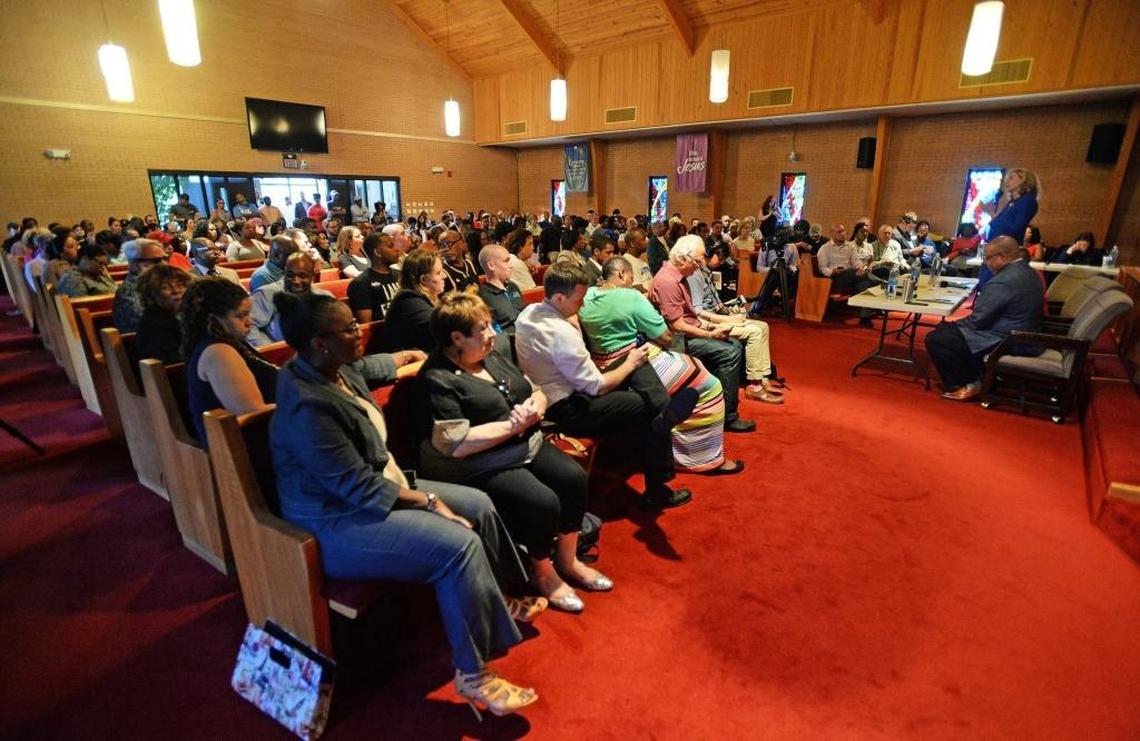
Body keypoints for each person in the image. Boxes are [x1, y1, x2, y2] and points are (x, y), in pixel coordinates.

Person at [269, 292, 540, 717]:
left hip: (379, 489)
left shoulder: (334, 368)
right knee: (457, 545)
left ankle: (497, 600)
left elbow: (368, 366)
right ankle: (473, 676)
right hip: (338, 521)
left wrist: (405, 355)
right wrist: (430, 500)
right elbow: (356, 489)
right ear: (321, 342)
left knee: (479, 504)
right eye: (349, 328)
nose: (359, 331)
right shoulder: (309, 406)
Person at [420, 292, 606, 614]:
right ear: (456, 338)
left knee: (573, 478)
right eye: (483, 328)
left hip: (524, 444)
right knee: (541, 501)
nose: (493, 333)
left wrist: (536, 406)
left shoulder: (489, 355)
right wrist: (513, 425)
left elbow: (534, 389)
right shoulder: (437, 378)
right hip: (482, 462)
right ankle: (543, 572)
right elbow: (456, 442)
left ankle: (568, 560)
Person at [576, 257, 741, 477]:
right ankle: (702, 458)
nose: (631, 282)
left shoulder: (586, 295)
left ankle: (678, 447)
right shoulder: (630, 296)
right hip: (635, 362)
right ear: (623, 274)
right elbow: (665, 336)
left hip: (603, 365)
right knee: (709, 385)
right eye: (630, 278)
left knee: (695, 366)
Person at [652, 236, 758, 431]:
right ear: (684, 259)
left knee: (733, 344)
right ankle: (728, 416)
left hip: (686, 334)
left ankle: (718, 407)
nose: (700, 266)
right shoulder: (668, 280)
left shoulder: (677, 277)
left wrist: (712, 328)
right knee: (730, 351)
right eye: (698, 261)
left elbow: (691, 317)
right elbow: (678, 326)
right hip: (677, 341)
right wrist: (711, 334)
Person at [924, 236, 1044, 401]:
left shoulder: (1003, 281)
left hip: (1011, 338)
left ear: (1002, 257)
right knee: (947, 331)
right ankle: (980, 375)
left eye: (988, 258)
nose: (986, 263)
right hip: (1026, 333)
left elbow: (978, 320)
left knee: (937, 338)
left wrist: (954, 325)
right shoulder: (1028, 271)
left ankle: (969, 383)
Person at [181, 277, 277, 443]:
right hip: (252, 446)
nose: (250, 322)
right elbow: (253, 414)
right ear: (213, 319)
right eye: (241, 316)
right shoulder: (217, 353)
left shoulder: (230, 342)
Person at [249, 253, 333, 346]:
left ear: (312, 276)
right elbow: (249, 325)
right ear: (285, 272)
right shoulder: (267, 294)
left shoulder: (325, 298)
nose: (296, 281)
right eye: (290, 275)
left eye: (302, 276)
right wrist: (271, 350)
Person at [383, 248, 446, 353]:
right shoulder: (408, 300)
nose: (444, 276)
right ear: (423, 280)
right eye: (439, 273)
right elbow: (442, 328)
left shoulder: (425, 297)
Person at [135, 263, 192, 364]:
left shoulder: (185, 315)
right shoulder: (156, 325)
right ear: (151, 294)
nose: (176, 291)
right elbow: (174, 365)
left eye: (180, 285)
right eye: (165, 287)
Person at [112, 239, 167, 332]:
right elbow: (145, 325)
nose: (164, 264)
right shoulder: (128, 291)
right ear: (134, 264)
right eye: (155, 261)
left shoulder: (162, 284)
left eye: (164, 259)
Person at [347, 233, 402, 323]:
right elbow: (366, 325)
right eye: (390, 246)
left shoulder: (400, 275)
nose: (396, 249)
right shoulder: (360, 284)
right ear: (378, 252)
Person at [476, 245, 524, 346]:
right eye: (506, 261)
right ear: (491, 266)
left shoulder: (513, 286)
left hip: (526, 338)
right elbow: (493, 333)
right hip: (508, 346)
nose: (511, 265)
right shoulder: (483, 297)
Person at [984, 168, 1040, 244]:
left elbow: (1015, 228)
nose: (1006, 181)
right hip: (995, 244)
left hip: (1007, 248)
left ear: (1023, 180)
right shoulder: (1012, 202)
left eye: (1011, 178)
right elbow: (998, 224)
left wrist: (992, 214)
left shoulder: (1028, 200)